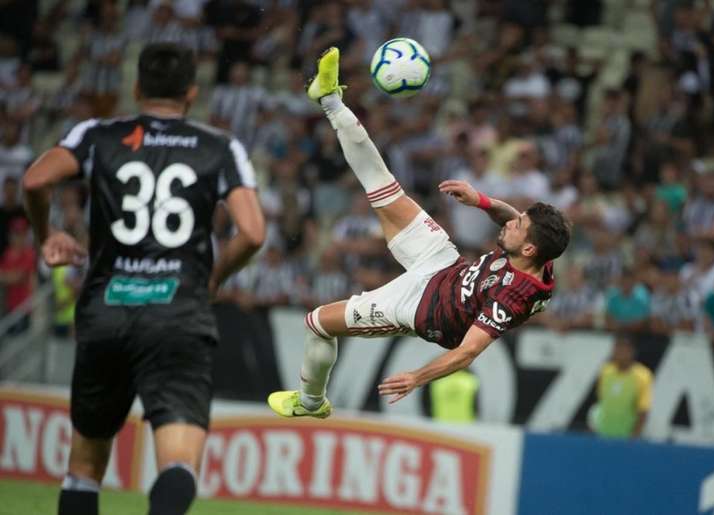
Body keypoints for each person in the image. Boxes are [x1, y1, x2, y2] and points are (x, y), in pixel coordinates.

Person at [22, 43, 265, 515]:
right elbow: (252, 233)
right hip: (178, 314)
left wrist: (46, 233)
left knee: (85, 467)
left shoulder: (97, 135)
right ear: (192, 93)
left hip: (106, 310)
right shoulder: (218, 146)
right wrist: (213, 277)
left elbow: (33, 181)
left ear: (136, 88)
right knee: (177, 463)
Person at [268, 48, 570, 418]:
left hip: (420, 309)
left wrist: (417, 377)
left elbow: (468, 351)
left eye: (517, 225)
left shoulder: (515, 297)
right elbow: (511, 217)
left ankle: (310, 402)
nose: (510, 221)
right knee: (383, 186)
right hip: (443, 264)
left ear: (528, 248)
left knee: (317, 323)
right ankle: (329, 98)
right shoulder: (538, 253)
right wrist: (481, 200)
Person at [591, 336, 653, 439]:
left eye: (623, 349)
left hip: (626, 438)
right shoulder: (605, 371)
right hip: (602, 435)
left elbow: (643, 411)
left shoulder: (643, 376)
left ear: (632, 351)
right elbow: (601, 403)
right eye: (616, 348)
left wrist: (633, 438)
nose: (618, 352)